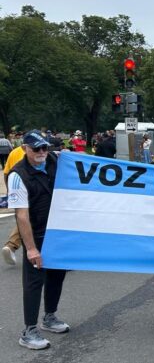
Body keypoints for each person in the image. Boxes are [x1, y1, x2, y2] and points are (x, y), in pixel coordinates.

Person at [8, 130, 69, 350]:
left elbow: (75, 164)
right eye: (36, 149)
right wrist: (31, 249)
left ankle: (50, 317)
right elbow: (21, 215)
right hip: (37, 234)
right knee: (34, 281)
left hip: (58, 232)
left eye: (45, 147)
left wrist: (68, 155)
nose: (42, 152)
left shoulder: (53, 159)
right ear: (25, 149)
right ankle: (29, 330)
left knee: (57, 275)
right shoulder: (18, 175)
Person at [2, 145, 29, 266]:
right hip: (31, 188)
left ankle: (12, 245)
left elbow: (6, 172)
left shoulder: (14, 152)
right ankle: (12, 245)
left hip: (16, 188)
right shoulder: (37, 152)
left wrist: (10, 191)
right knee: (28, 218)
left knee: (23, 217)